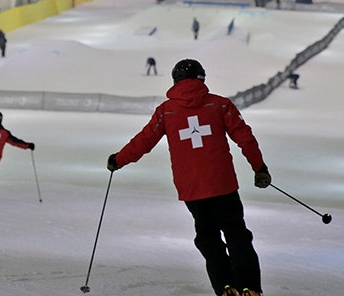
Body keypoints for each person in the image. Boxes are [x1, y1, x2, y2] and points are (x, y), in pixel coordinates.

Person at [107, 59, 270, 296]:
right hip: (222, 184)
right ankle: (250, 288)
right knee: (236, 234)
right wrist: (259, 167)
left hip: (191, 189)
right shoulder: (220, 105)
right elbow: (245, 138)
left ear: (175, 81)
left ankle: (225, 287)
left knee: (208, 237)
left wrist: (118, 159)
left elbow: (144, 141)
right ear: (202, 78)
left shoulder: (167, 111)